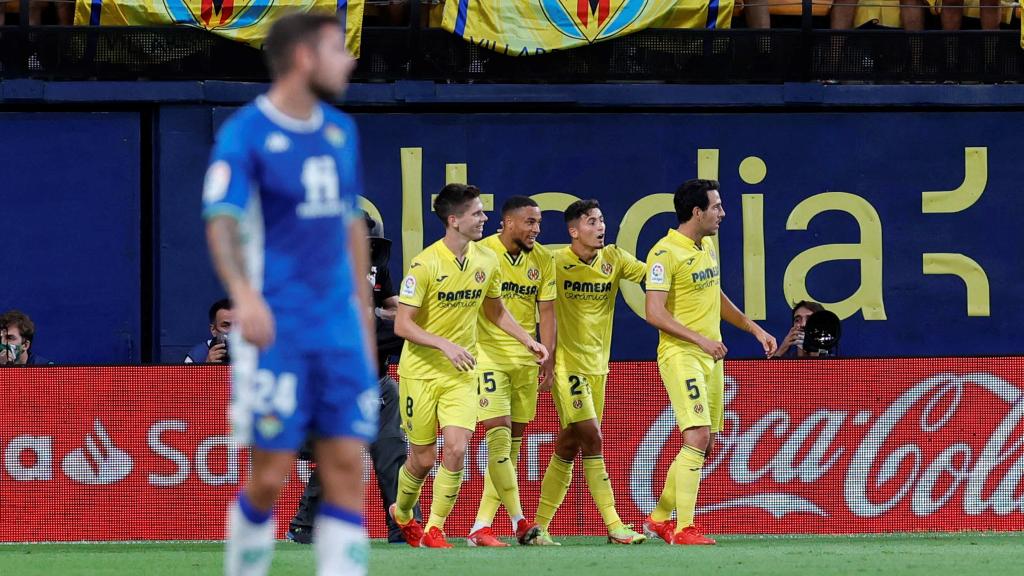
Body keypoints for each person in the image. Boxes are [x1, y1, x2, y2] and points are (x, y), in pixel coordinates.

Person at [202, 13, 376, 576]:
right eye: (337, 49)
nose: (350, 59)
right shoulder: (246, 133)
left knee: (346, 466)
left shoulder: (340, 132)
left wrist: (362, 320)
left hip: (338, 331)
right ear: (304, 57)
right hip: (278, 328)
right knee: (271, 474)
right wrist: (244, 296)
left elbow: (351, 226)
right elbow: (222, 221)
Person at [389, 183, 549, 548]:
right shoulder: (424, 264)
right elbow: (402, 324)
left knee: (457, 448)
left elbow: (495, 310)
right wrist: (444, 344)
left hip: (461, 373)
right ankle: (403, 511)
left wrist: (527, 339)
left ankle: (435, 528)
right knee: (423, 459)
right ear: (454, 220)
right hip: (420, 373)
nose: (484, 218)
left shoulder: (486, 260)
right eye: (477, 213)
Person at [642, 178, 777, 545]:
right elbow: (654, 312)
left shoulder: (707, 246)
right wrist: (700, 339)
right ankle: (683, 527)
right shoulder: (664, 253)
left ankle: (658, 519)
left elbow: (713, 295)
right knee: (697, 436)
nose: (723, 213)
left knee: (708, 442)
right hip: (682, 355)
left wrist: (754, 329)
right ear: (697, 211)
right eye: (716, 207)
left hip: (711, 357)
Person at [288, 212, 422, 545]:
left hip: (379, 380)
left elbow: (397, 311)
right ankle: (305, 527)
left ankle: (404, 527)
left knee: (393, 455)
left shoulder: (376, 264)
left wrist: (375, 315)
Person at [532, 199, 648, 545]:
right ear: (573, 231)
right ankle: (614, 525)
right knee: (593, 438)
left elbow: (653, 277)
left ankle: (537, 528)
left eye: (601, 220)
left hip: (599, 368)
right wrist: (544, 356)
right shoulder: (554, 262)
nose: (601, 227)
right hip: (567, 366)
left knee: (570, 443)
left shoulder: (614, 258)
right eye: (592, 222)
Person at [466, 196, 556, 547]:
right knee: (499, 439)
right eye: (530, 222)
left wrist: (548, 358)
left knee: (510, 449)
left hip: (525, 362)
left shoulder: (543, 259)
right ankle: (517, 521)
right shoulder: (482, 253)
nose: (536, 229)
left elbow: (546, 312)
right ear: (508, 222)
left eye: (538, 223)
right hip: (489, 358)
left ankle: (481, 526)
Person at [184, 298, 233, 364]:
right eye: (225, 325)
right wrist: (207, 366)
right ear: (213, 330)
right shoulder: (195, 357)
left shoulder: (247, 352)